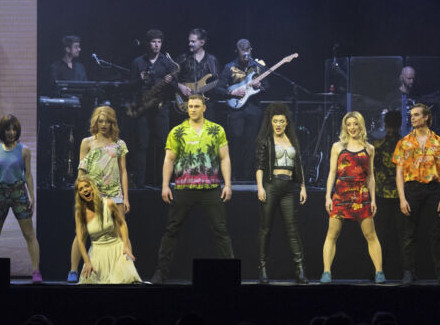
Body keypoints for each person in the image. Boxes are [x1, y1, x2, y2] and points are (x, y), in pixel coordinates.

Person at [150, 94, 234, 284]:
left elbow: (225, 158)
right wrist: (165, 186)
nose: (193, 110)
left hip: (211, 187)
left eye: (196, 106)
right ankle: (161, 273)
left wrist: (228, 184)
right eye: (190, 106)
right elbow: (169, 159)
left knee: (221, 230)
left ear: (204, 108)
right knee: (172, 230)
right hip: (184, 186)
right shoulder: (178, 131)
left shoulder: (216, 130)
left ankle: (229, 273)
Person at [66, 105, 130, 282]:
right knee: (82, 232)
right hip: (92, 193)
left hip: (114, 192)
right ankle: (73, 270)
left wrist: (126, 197)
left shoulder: (119, 144)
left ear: (112, 123)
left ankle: (127, 270)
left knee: (121, 231)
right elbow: (82, 169)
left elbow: (123, 171)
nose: (103, 125)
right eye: (100, 121)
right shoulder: (87, 142)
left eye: (107, 121)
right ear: (95, 122)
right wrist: (80, 194)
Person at [321, 111, 384, 284]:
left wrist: (373, 200)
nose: (352, 128)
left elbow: (370, 176)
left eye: (355, 124)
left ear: (361, 125)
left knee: (371, 235)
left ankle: (379, 272)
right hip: (341, 195)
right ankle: (326, 272)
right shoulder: (337, 147)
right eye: (349, 124)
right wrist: (328, 197)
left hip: (361, 196)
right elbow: (332, 172)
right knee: (332, 235)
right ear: (345, 127)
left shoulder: (369, 148)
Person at [393, 103, 440, 285]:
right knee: (409, 233)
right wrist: (402, 198)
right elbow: (399, 173)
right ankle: (408, 272)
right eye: (411, 115)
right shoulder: (404, 143)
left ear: (426, 117)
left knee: (436, 234)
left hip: (433, 189)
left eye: (416, 115)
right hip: (412, 189)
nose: (412, 118)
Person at [0, 114, 41, 283]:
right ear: (2, 131)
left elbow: (28, 175)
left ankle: (36, 271)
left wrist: (32, 197)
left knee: (29, 234)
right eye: (8, 129)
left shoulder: (24, 150)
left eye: (14, 129)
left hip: (18, 193)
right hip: (0, 193)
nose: (11, 132)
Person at [254, 102, 308, 284]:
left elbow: (299, 164)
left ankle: (300, 270)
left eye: (281, 121)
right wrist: (260, 187)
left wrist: (303, 186)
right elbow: (260, 165)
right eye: (275, 121)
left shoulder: (292, 140)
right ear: (271, 122)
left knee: (292, 229)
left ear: (286, 123)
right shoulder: (266, 140)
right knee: (265, 228)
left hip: (289, 187)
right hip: (271, 185)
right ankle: (262, 268)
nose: (278, 124)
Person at [127, 29, 177, 189]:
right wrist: (140, 79)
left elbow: (176, 85)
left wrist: (171, 81)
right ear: (148, 43)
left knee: (163, 144)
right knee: (141, 144)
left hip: (161, 108)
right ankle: (140, 183)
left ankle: (163, 182)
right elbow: (130, 86)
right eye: (154, 42)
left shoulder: (167, 62)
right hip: (143, 108)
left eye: (159, 42)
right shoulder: (138, 62)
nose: (156, 45)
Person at [73, 173, 141, 284]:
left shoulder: (108, 203)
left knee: (126, 280)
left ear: (92, 187)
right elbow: (80, 240)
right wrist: (87, 262)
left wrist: (125, 246)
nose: (85, 190)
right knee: (90, 282)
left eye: (87, 186)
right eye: (81, 189)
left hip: (116, 250)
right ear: (79, 194)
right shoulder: (80, 213)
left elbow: (122, 224)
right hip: (97, 254)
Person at [220, 38, 268, 182]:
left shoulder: (259, 67)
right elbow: (218, 88)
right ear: (237, 51)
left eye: (247, 50)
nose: (245, 54)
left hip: (254, 109)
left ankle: (248, 176)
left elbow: (267, 87)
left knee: (251, 142)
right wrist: (231, 92)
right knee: (236, 140)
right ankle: (234, 174)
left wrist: (260, 86)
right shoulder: (229, 67)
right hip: (236, 110)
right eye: (242, 51)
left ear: (251, 50)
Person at [371, 109, 403, 277]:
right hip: (402, 196)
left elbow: (372, 169)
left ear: (385, 124)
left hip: (382, 193)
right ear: (400, 123)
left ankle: (378, 271)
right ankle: (404, 271)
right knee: (402, 235)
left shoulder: (378, 145)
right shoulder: (405, 144)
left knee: (380, 235)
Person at [175, 28, 220, 122]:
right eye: (189, 41)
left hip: (206, 104)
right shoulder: (183, 58)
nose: (189, 44)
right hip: (186, 103)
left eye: (193, 41)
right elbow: (171, 78)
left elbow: (218, 81)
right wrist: (180, 87)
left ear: (202, 42)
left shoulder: (211, 60)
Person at [388, 66, 416, 135]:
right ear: (401, 78)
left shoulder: (415, 95)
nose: (412, 81)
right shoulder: (392, 96)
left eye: (413, 78)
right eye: (409, 78)